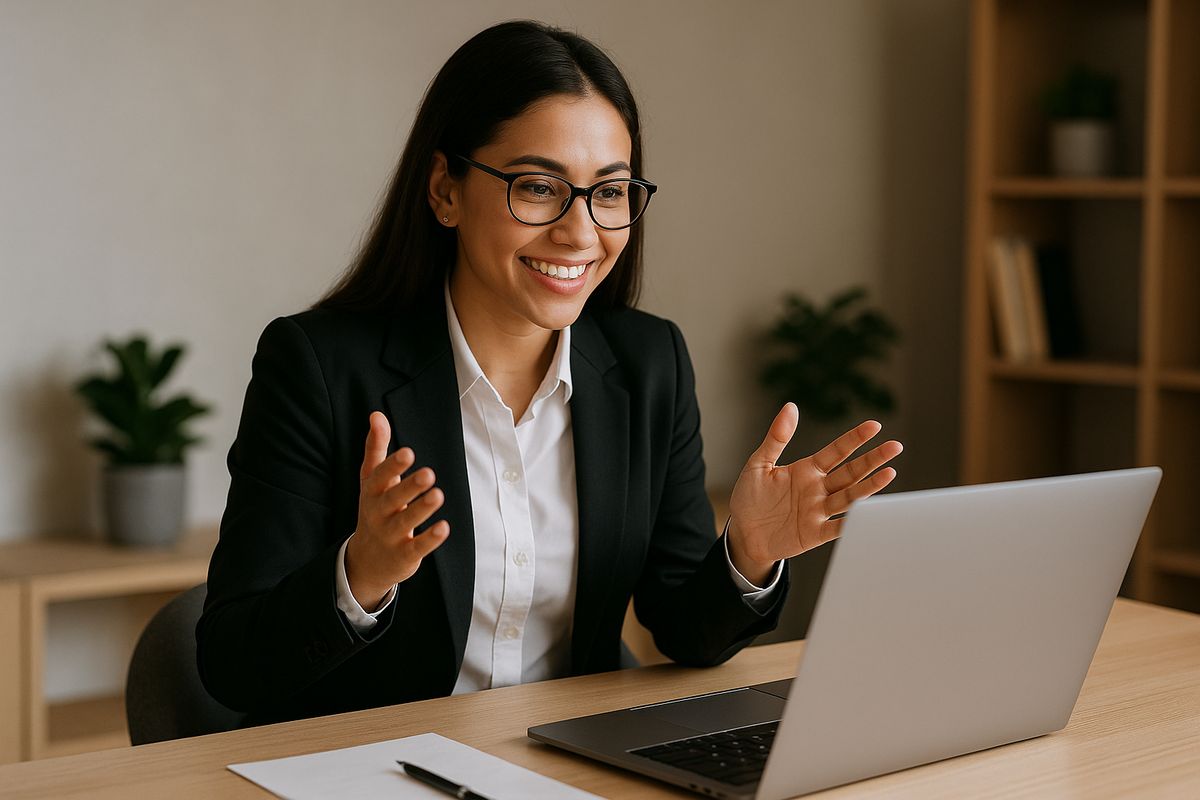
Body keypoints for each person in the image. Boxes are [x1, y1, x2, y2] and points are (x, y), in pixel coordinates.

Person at [197, 20, 902, 726]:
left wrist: (748, 554)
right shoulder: (317, 365)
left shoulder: (648, 363)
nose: (580, 231)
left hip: (568, 765)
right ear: (445, 189)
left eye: (611, 192)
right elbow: (232, 664)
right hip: (377, 770)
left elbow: (683, 629)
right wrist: (362, 574)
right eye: (538, 187)